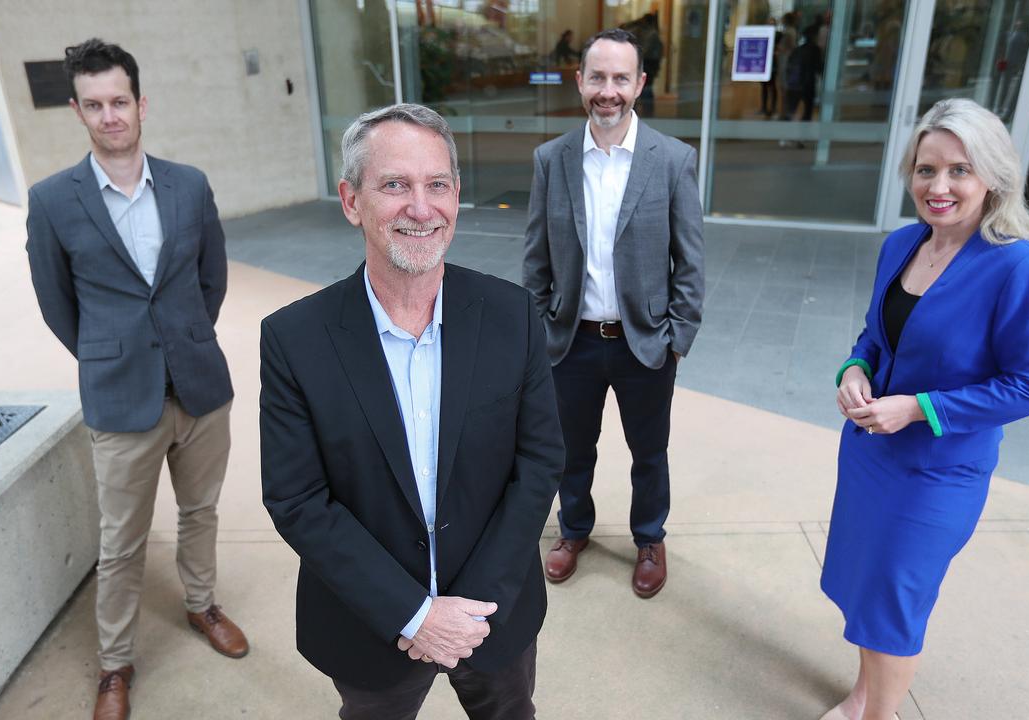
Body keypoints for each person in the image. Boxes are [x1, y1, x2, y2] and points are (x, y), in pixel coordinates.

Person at [260, 103, 563, 719]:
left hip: (492, 616)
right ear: (352, 202)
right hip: (371, 624)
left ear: (456, 197)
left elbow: (539, 462)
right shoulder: (295, 338)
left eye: (438, 185)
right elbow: (297, 499)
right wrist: (415, 614)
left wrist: (469, 609)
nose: (420, 208)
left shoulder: (512, 316)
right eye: (394, 185)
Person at [821, 98, 1029, 720]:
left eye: (959, 170)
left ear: (993, 178)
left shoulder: (1020, 265)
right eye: (926, 170)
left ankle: (879, 716)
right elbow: (875, 337)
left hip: (939, 472)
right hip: (872, 455)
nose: (940, 186)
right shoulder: (902, 244)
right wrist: (854, 371)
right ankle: (860, 698)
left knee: (896, 601)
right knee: (866, 585)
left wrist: (920, 409)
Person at [26, 38, 249, 720]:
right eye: (93, 105)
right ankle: (115, 665)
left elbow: (211, 280)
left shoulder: (189, 184)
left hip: (200, 388)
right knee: (120, 542)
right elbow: (57, 303)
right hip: (121, 396)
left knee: (201, 512)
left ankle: (201, 605)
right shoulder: (52, 201)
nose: (110, 115)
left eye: (119, 101)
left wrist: (180, 341)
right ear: (77, 111)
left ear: (140, 103)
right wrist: (112, 352)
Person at [523, 28, 704, 599]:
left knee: (648, 451)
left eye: (620, 79)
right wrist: (535, 331)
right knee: (570, 450)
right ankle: (573, 529)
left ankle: (649, 537)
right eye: (597, 78)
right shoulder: (551, 160)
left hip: (644, 342)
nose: (608, 91)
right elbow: (535, 258)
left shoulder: (672, 161)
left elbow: (690, 261)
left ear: (640, 84)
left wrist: (678, 336)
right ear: (580, 82)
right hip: (569, 340)